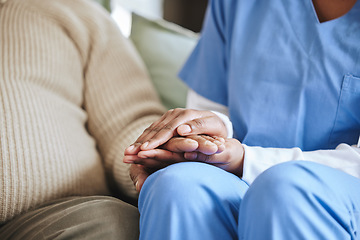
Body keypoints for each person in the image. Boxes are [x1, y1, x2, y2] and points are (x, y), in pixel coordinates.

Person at [123, 0, 360, 239]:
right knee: (176, 186)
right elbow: (212, 109)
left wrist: (246, 159)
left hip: (341, 189)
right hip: (239, 176)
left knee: (283, 192)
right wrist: (198, 140)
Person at [0, 0, 165, 239]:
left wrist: (156, 150)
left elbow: (130, 121)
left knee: (112, 222)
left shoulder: (77, 12)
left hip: (48, 221)